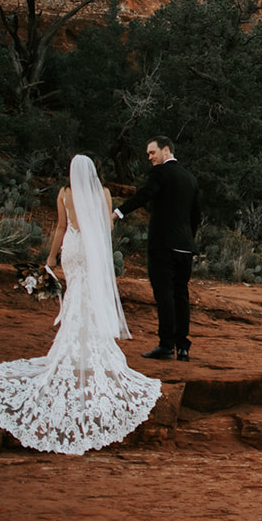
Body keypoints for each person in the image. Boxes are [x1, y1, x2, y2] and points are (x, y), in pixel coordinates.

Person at [0, 155, 160, 454]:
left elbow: (61, 228)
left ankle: (72, 349)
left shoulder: (64, 194)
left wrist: (51, 258)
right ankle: (89, 350)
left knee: (75, 295)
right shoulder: (103, 194)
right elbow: (107, 229)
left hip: (73, 249)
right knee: (88, 297)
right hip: (92, 251)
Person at [113, 135, 201, 361]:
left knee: (165, 295)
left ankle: (165, 345)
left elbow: (145, 194)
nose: (150, 157)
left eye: (152, 152)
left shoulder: (160, 173)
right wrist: (188, 240)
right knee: (181, 295)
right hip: (184, 247)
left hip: (163, 245)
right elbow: (196, 215)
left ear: (166, 150)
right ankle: (182, 347)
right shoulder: (190, 178)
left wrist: (119, 211)